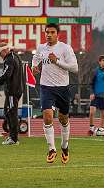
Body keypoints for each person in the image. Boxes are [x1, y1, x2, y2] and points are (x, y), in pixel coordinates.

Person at [32, 23, 78, 164]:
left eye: (52, 32)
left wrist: (57, 61)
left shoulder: (65, 48)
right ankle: (52, 149)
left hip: (62, 88)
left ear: (57, 34)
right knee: (47, 116)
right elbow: (36, 59)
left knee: (63, 119)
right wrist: (34, 67)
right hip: (46, 87)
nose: (49, 35)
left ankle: (64, 147)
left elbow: (75, 68)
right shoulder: (41, 48)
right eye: (47, 32)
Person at [0, 42, 24, 145]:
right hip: (17, 89)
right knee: (8, 111)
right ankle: (13, 136)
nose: (0, 56)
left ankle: (13, 138)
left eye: (0, 53)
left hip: (12, 91)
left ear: (5, 51)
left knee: (11, 113)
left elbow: (7, 74)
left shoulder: (9, 59)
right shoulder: (16, 57)